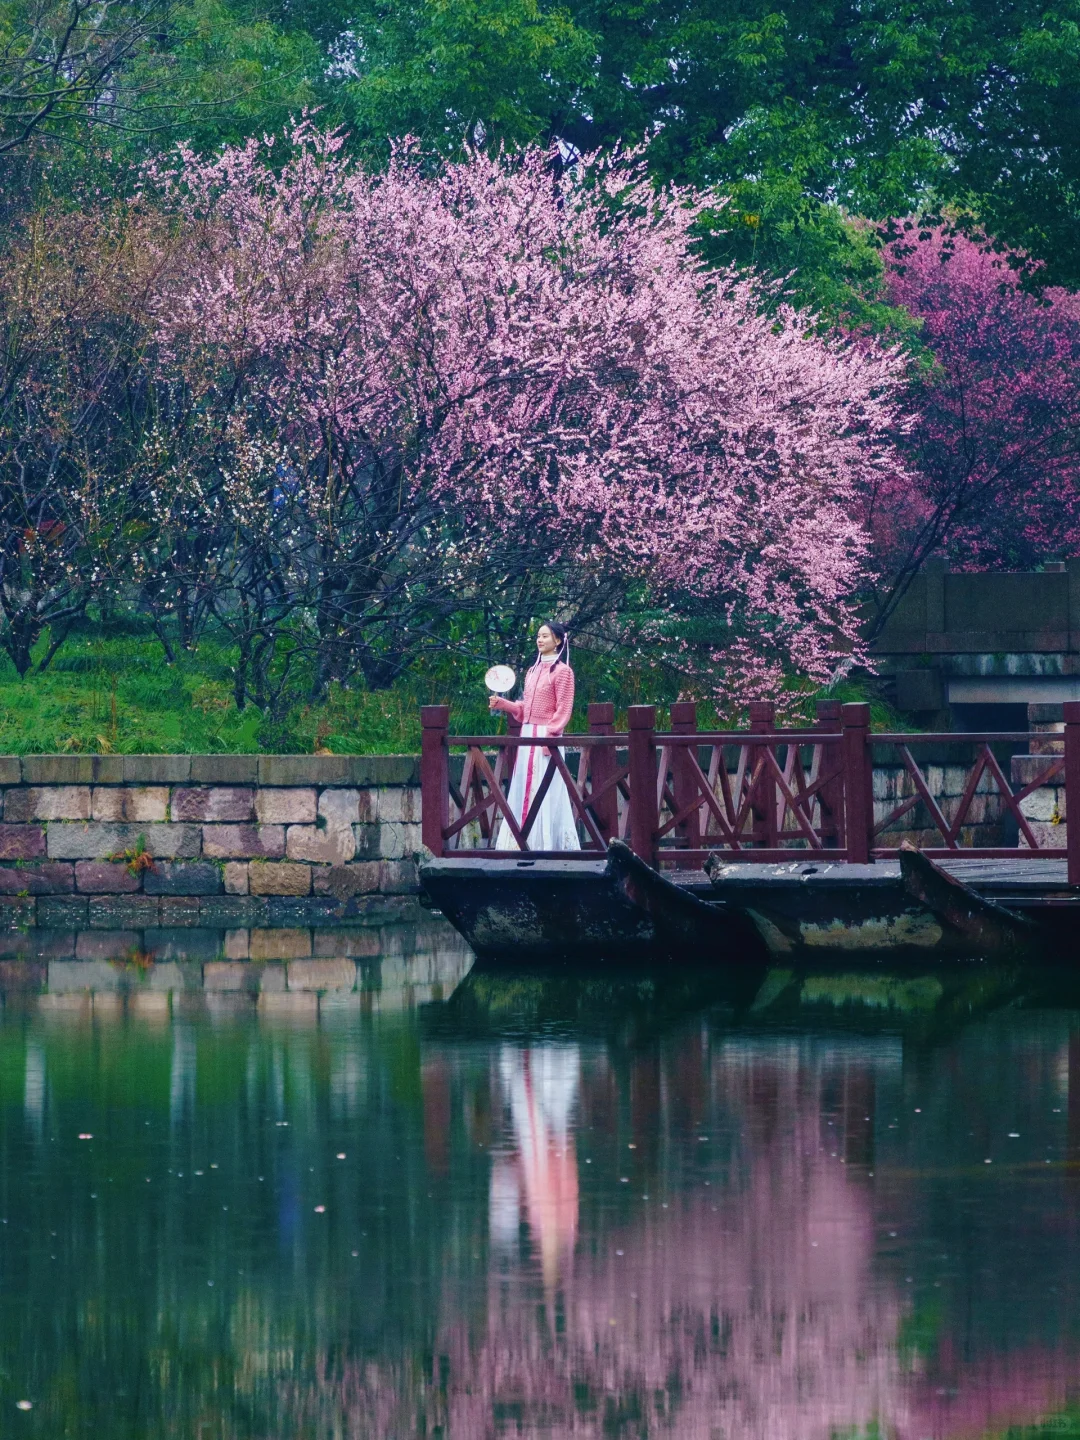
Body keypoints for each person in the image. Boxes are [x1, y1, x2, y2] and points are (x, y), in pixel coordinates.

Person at [489, 622, 581, 851]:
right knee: (523, 785)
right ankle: (521, 842)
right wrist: (504, 704)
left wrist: (551, 736)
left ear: (558, 641)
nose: (540, 640)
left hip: (546, 735)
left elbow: (564, 709)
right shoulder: (532, 671)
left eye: (545, 636)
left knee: (545, 789)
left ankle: (547, 844)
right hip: (527, 734)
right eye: (538, 636)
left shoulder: (563, 672)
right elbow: (524, 710)